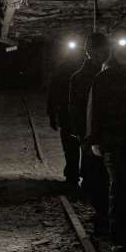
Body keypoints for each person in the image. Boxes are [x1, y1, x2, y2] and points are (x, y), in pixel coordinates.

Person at [85, 30, 126, 252]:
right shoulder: (103, 78)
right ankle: (119, 236)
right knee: (119, 186)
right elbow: (95, 110)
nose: (125, 53)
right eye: (120, 49)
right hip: (113, 142)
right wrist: (94, 139)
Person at [68, 32, 109, 233]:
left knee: (109, 177)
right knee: (95, 175)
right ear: (89, 51)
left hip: (110, 135)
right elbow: (75, 108)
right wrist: (81, 135)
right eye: (97, 50)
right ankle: (102, 213)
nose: (102, 53)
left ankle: (108, 214)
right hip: (91, 135)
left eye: (104, 49)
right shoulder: (80, 78)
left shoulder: (112, 73)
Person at [47, 38, 83, 189]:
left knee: (71, 147)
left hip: (70, 115)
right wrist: (52, 114)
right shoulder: (64, 70)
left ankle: (73, 175)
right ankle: (75, 175)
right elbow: (54, 93)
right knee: (73, 147)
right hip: (70, 114)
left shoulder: (63, 69)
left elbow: (52, 93)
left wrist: (52, 115)